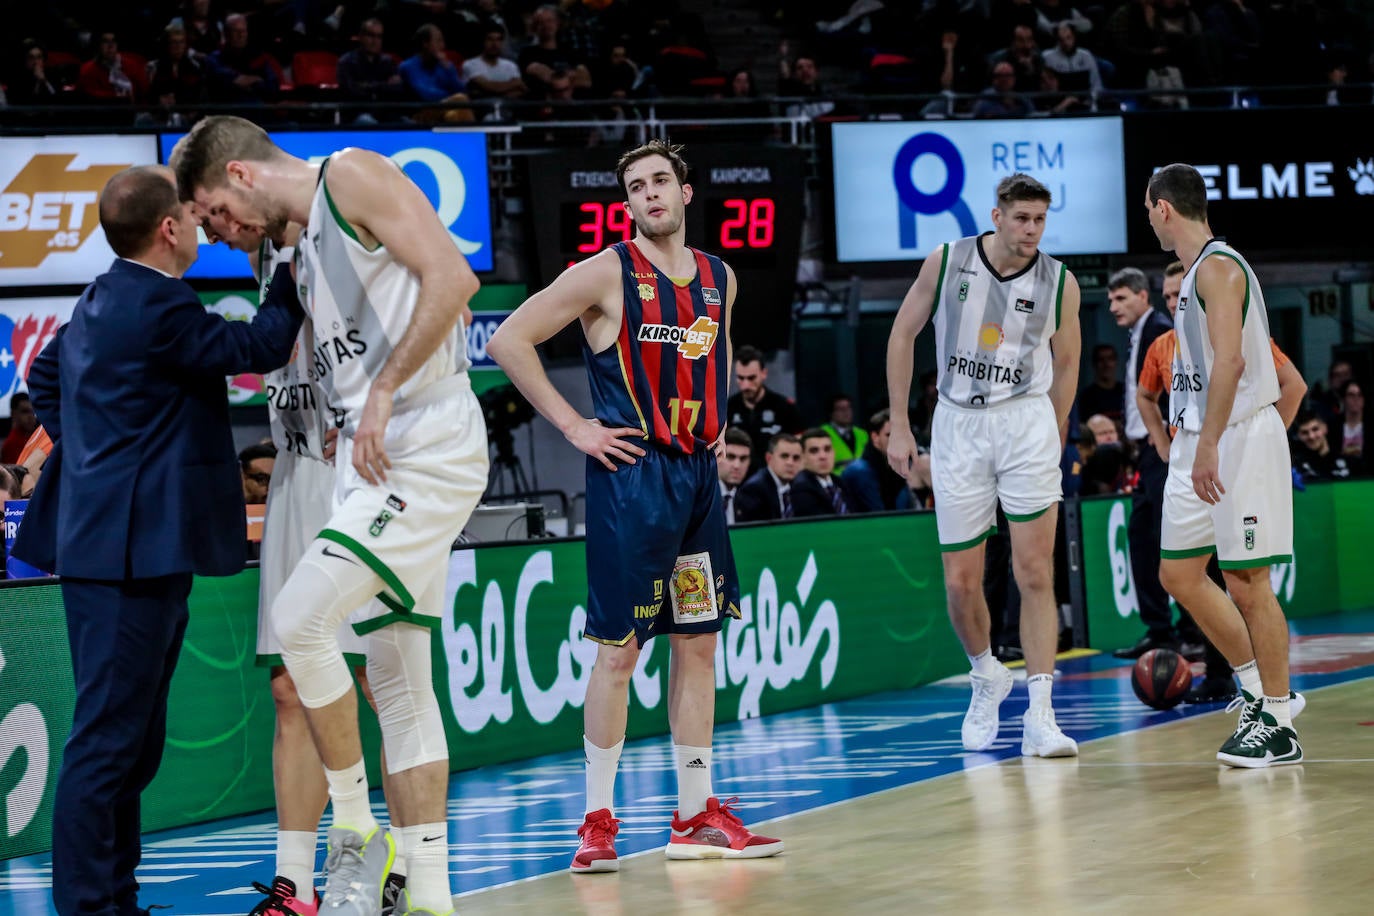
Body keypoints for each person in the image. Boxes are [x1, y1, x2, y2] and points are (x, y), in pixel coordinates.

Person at [173, 114, 488, 914]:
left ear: (240, 177)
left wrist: (382, 391)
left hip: (426, 438)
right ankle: (431, 895)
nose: (217, 233)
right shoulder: (298, 249)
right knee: (402, 682)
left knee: (300, 617)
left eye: (212, 214)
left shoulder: (349, 174)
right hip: (369, 460)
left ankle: (355, 826)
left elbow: (455, 279)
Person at [10, 164, 302, 916]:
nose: (203, 226)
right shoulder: (160, 305)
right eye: (191, 216)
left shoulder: (105, 295)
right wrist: (290, 270)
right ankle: (88, 906)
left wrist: (95, 455)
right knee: (110, 740)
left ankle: (111, 896)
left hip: (123, 546)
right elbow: (261, 345)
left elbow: (45, 376)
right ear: (169, 228)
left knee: (129, 741)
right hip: (126, 554)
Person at [485, 138, 782, 873]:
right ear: (628, 206)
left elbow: (706, 365)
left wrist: (709, 431)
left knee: (699, 643)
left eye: (660, 182)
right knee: (619, 651)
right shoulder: (606, 271)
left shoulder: (720, 277)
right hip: (633, 477)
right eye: (636, 187)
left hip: (696, 482)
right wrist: (575, 426)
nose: (649, 194)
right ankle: (597, 821)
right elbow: (509, 339)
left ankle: (693, 817)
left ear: (685, 193)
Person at [886, 172, 1083, 758]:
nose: (1032, 230)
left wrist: (1055, 427)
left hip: (1025, 421)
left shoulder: (1060, 280)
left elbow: (1067, 362)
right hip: (958, 424)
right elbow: (902, 335)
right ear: (996, 216)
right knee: (960, 581)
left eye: (1040, 220)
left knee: (1035, 573)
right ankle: (985, 674)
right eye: (1022, 218)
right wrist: (900, 424)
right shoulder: (947, 261)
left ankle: (1041, 714)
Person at [1145, 162, 1305, 768]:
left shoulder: (1218, 267)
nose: (1149, 220)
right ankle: (1259, 691)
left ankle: (1280, 721)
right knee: (1179, 574)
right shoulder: (1191, 275)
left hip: (1233, 435)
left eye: (1148, 210)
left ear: (1163, 207)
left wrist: (1211, 442)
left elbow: (1234, 364)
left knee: (1247, 582)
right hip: (1198, 438)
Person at [1137, 289, 1309, 704]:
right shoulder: (1163, 345)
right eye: (1170, 296)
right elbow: (1145, 396)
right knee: (1181, 577)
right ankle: (1251, 688)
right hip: (1187, 467)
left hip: (1233, 458)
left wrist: (1265, 447)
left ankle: (1273, 701)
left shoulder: (1237, 334)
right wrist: (1161, 441)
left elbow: (1294, 385)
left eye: (1182, 294)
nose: (1176, 300)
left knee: (1244, 583)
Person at [1106, 267, 1181, 660]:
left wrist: (1164, 443)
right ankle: (1165, 630)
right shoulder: (1141, 333)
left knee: (1168, 540)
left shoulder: (1159, 330)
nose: (1113, 307)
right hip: (1148, 450)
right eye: (1110, 300)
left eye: (1120, 298)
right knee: (1144, 537)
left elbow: (1170, 394)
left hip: (1163, 447)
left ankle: (1181, 630)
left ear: (1141, 296)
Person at [726, 345, 803, 474]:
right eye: (740, 378)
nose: (745, 385)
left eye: (751, 378)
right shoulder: (728, 408)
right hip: (737, 477)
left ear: (764, 373)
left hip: (774, 479)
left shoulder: (785, 408)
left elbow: (799, 447)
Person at [841, 409, 916, 513]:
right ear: (875, 437)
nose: (897, 440)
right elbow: (879, 516)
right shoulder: (859, 472)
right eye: (889, 435)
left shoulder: (904, 465)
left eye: (902, 434)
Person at [734, 433, 804, 522]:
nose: (790, 463)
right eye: (784, 456)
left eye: (796, 458)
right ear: (769, 458)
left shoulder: (799, 485)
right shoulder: (754, 489)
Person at [792, 428, 847, 517]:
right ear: (803, 457)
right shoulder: (800, 488)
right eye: (814, 451)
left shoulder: (841, 483)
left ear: (834, 452)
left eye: (827, 449)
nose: (823, 456)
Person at [1292, 411, 1363, 481]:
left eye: (1315, 429)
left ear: (1325, 428)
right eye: (1304, 433)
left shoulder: (1348, 460)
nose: (1311, 436)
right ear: (1298, 436)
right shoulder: (1296, 466)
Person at [1078, 344, 1124, 425]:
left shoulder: (1125, 391)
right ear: (1094, 364)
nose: (1106, 364)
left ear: (1116, 362)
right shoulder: (1087, 397)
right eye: (1101, 360)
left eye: (1110, 359)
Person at [821, 394, 868, 471]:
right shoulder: (823, 433)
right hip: (837, 479)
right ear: (831, 413)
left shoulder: (862, 433)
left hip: (861, 477)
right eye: (841, 409)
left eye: (848, 407)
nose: (846, 412)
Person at [717, 427, 752, 525]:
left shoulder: (751, 499)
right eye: (730, 457)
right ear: (717, 456)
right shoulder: (700, 496)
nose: (737, 465)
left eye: (743, 458)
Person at [2, 393, 38, 464]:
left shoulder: (35, 438)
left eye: (33, 412)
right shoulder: (11, 444)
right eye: (25, 411)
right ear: (13, 413)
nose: (31, 416)